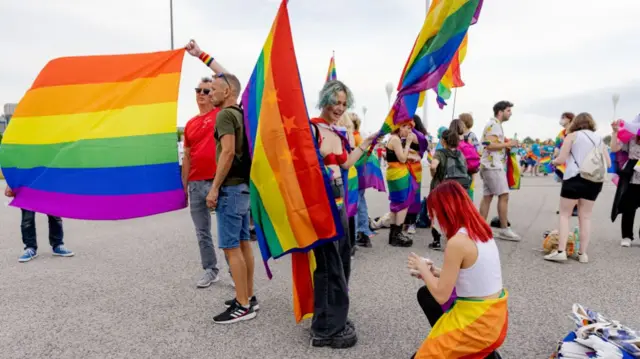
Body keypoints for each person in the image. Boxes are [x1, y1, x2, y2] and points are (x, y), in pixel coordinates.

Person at [309, 80, 378, 348]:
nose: (339, 107)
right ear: (324, 99)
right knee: (329, 266)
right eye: (335, 102)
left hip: (339, 203)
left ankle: (334, 317)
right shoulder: (312, 128)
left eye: (343, 103)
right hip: (321, 205)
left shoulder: (337, 132)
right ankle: (325, 329)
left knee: (342, 261)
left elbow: (346, 163)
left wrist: (367, 143)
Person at [408, 181, 507, 359]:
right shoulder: (480, 229)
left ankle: (466, 348)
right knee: (426, 294)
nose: (433, 220)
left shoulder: (457, 243)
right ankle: (475, 352)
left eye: (434, 213)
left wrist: (423, 268)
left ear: (445, 211)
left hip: (477, 323)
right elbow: (474, 273)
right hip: (496, 317)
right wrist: (435, 272)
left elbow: (441, 295)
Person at [203, 71, 258, 324]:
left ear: (227, 92)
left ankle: (243, 305)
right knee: (244, 244)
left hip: (231, 189)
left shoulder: (225, 115)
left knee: (230, 247)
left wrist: (214, 188)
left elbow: (226, 152)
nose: (209, 93)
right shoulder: (242, 114)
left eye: (212, 89)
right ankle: (247, 295)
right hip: (244, 188)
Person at [183, 40, 230, 288]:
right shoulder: (189, 124)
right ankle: (211, 270)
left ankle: (235, 272)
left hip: (219, 182)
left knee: (227, 231)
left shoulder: (221, 114)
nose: (203, 94)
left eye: (208, 90)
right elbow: (187, 157)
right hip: (196, 183)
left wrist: (200, 54)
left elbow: (226, 77)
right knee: (202, 232)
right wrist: (183, 187)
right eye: (199, 90)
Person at [545, 113, 610, 263]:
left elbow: (561, 159)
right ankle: (583, 254)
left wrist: (553, 162)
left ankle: (561, 250)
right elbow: (608, 162)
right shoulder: (599, 139)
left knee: (564, 214)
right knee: (585, 216)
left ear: (575, 123)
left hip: (574, 177)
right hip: (594, 180)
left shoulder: (572, 136)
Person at [478, 101, 521, 241]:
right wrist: (508, 144)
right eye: (508, 110)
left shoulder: (494, 124)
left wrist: (505, 145)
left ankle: (480, 227)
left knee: (488, 196)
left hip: (489, 165)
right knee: (504, 195)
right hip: (492, 165)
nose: (511, 113)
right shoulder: (494, 124)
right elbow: (489, 145)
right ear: (500, 111)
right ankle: (504, 229)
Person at [4, 186, 74, 262]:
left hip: (49, 183)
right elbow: (16, 173)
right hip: (27, 186)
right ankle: (30, 247)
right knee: (27, 220)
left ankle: (57, 245)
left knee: (55, 217)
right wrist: (10, 185)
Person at [386, 119, 420, 247]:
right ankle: (397, 234)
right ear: (399, 127)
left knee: (396, 203)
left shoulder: (393, 139)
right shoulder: (395, 139)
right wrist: (408, 144)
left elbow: (395, 157)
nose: (408, 130)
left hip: (393, 173)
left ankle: (393, 234)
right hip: (398, 174)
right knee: (403, 204)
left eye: (410, 128)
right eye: (405, 127)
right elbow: (402, 158)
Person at [610, 116, 640, 248]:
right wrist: (615, 132)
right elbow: (615, 148)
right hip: (632, 172)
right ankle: (627, 236)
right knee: (629, 206)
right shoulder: (631, 135)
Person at [351, 112, 377, 246]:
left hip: (356, 174)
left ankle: (355, 233)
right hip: (362, 174)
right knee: (361, 203)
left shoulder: (353, 137)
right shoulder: (359, 136)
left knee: (354, 204)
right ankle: (363, 231)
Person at [403, 115, 428, 235]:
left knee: (414, 195)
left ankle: (412, 222)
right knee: (404, 194)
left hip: (414, 167)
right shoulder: (405, 133)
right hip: (404, 167)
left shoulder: (418, 136)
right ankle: (406, 221)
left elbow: (422, 151)